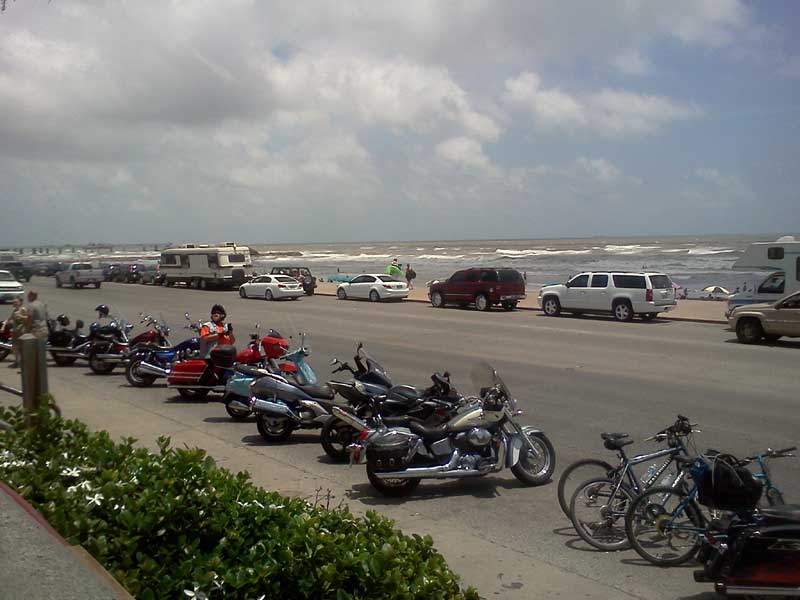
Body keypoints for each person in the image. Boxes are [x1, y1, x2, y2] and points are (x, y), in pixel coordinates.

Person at [2, 298, 28, 368]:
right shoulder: (14, 310)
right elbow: (8, 319)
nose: (14, 303)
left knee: (21, 347)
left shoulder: (23, 309)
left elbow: (28, 318)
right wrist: (3, 326)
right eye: (13, 302)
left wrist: (20, 316)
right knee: (14, 347)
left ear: (20, 302)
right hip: (15, 331)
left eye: (16, 302)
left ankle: (23, 363)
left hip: (21, 331)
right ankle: (17, 362)